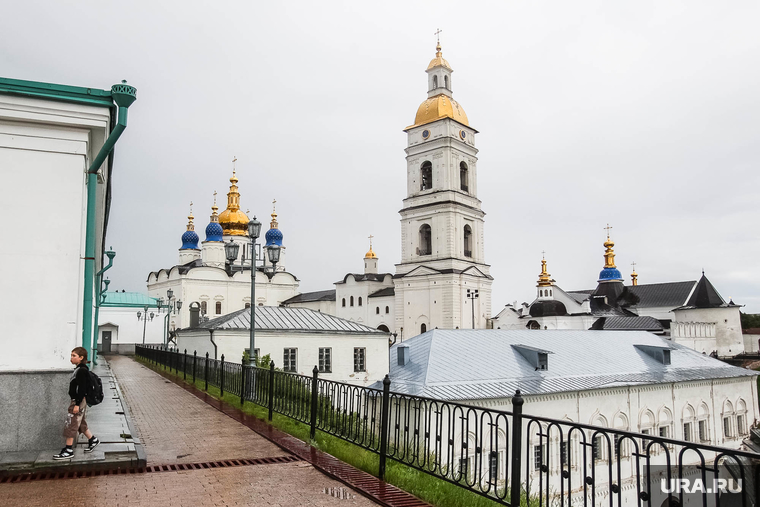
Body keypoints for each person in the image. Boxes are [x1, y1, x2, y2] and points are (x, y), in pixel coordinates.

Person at [53, 347, 100, 460]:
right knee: (80, 422)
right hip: (78, 401)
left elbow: (82, 388)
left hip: (78, 401)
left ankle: (68, 450)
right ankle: (92, 439)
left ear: (81, 357)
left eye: (74, 356)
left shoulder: (82, 370)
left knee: (72, 423)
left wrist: (77, 404)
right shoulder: (80, 369)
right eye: (71, 355)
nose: (71, 358)